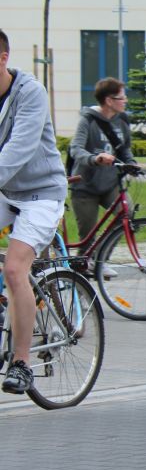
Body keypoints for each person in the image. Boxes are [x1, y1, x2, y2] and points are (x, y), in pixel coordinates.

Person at [0, 29, 70, 395]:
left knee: (15, 269)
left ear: (3, 58)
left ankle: (21, 362)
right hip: (6, 190)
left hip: (42, 193)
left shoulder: (30, 93)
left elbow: (18, 150)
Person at [68, 76, 137, 240]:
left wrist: (132, 164)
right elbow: (75, 149)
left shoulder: (122, 120)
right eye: (122, 97)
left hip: (110, 185)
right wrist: (95, 158)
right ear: (109, 101)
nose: (125, 101)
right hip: (85, 186)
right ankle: (91, 254)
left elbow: (124, 149)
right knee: (87, 238)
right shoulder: (87, 120)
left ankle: (104, 251)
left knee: (127, 214)